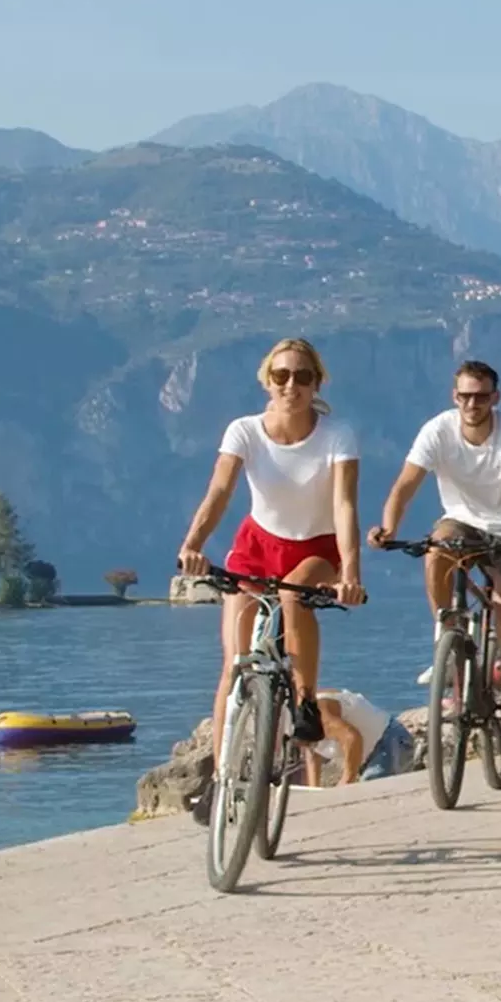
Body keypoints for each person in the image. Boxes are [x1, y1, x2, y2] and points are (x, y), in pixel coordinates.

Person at [178, 337, 367, 787]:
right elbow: (219, 492)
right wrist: (193, 544)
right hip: (257, 548)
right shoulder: (243, 430)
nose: (291, 385)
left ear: (317, 383)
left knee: (291, 595)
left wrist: (352, 573)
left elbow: (345, 506)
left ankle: (304, 702)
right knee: (234, 664)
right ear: (267, 381)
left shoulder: (337, 435)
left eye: (303, 376)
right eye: (281, 376)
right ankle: (223, 779)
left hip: (318, 549)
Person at [369, 359, 501, 766]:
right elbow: (406, 483)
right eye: (465, 396)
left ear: (495, 398)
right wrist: (387, 526)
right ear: (455, 397)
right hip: (463, 522)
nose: (472, 404)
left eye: (481, 396)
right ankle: (447, 635)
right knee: (436, 549)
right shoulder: (438, 430)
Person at [310, 688, 409, 785]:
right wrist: (313, 789)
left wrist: (347, 781)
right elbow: (312, 749)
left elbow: (351, 738)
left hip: (388, 740)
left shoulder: (317, 709)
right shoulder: (301, 714)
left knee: (371, 794)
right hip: (368, 751)